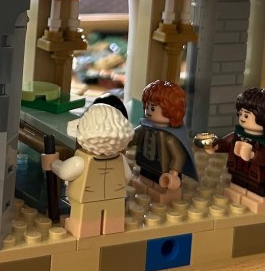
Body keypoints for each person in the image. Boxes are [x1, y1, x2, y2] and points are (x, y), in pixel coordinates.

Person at [41, 100, 134, 237]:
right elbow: (128, 176)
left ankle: (86, 230)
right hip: (115, 198)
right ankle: (111, 228)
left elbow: (65, 172)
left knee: (85, 223)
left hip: (87, 200)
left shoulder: (81, 161)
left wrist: (53, 163)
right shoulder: (120, 159)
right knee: (113, 220)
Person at [203, 87, 265, 213]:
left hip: (257, 177)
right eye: (240, 113)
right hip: (239, 171)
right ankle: (237, 193)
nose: (242, 118)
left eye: (246, 115)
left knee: (258, 188)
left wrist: (252, 155)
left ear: (264, 118)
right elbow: (226, 143)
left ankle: (259, 199)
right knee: (237, 183)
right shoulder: (239, 134)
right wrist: (216, 147)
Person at [131, 79, 197, 204]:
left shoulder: (170, 137)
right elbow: (132, 138)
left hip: (162, 172)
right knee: (145, 179)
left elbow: (178, 156)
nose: (148, 111)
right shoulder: (144, 128)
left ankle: (161, 193)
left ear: (170, 111)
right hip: (145, 165)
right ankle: (146, 187)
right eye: (147, 106)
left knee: (159, 186)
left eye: (153, 108)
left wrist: (173, 173)